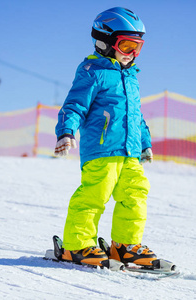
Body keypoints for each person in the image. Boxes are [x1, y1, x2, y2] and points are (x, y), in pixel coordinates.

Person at [54, 7, 156, 268]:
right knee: (94, 196)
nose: (133, 54)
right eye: (127, 45)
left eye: (138, 47)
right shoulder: (93, 71)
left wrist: (145, 142)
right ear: (105, 41)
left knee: (135, 194)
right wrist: (66, 131)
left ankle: (125, 245)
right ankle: (77, 245)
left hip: (130, 152)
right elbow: (74, 105)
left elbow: (136, 115)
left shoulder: (131, 77)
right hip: (101, 149)